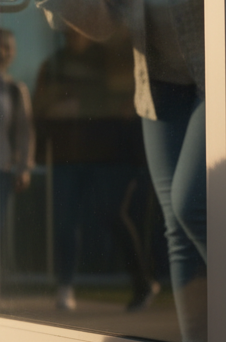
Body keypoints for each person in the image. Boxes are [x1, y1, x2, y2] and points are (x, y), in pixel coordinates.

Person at [1, 0, 205, 342]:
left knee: (194, 205)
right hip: (160, 90)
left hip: (217, 85)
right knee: (176, 232)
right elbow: (104, 20)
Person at [33, 28, 159, 312]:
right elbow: (40, 107)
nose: (73, 30)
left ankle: (142, 282)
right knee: (65, 220)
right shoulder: (54, 64)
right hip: (68, 156)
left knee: (110, 213)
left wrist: (81, 107)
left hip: (108, 155)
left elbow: (128, 101)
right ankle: (66, 286)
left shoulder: (111, 61)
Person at [0, 29, 34, 239]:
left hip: (2, 167)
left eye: (10, 47)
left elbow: (24, 131)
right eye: (1, 45)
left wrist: (23, 167)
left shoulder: (15, 89)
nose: (5, 52)